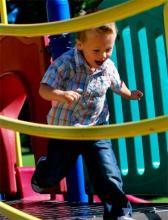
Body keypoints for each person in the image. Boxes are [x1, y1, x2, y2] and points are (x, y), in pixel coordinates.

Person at [31, 23, 143, 220]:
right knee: (53, 175)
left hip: (96, 129)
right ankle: (43, 171)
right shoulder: (66, 64)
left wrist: (129, 94)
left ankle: (120, 214)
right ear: (80, 45)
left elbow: (117, 84)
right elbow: (43, 89)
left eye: (108, 49)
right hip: (65, 131)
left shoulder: (108, 66)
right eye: (97, 50)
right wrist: (60, 94)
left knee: (108, 173)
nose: (104, 55)